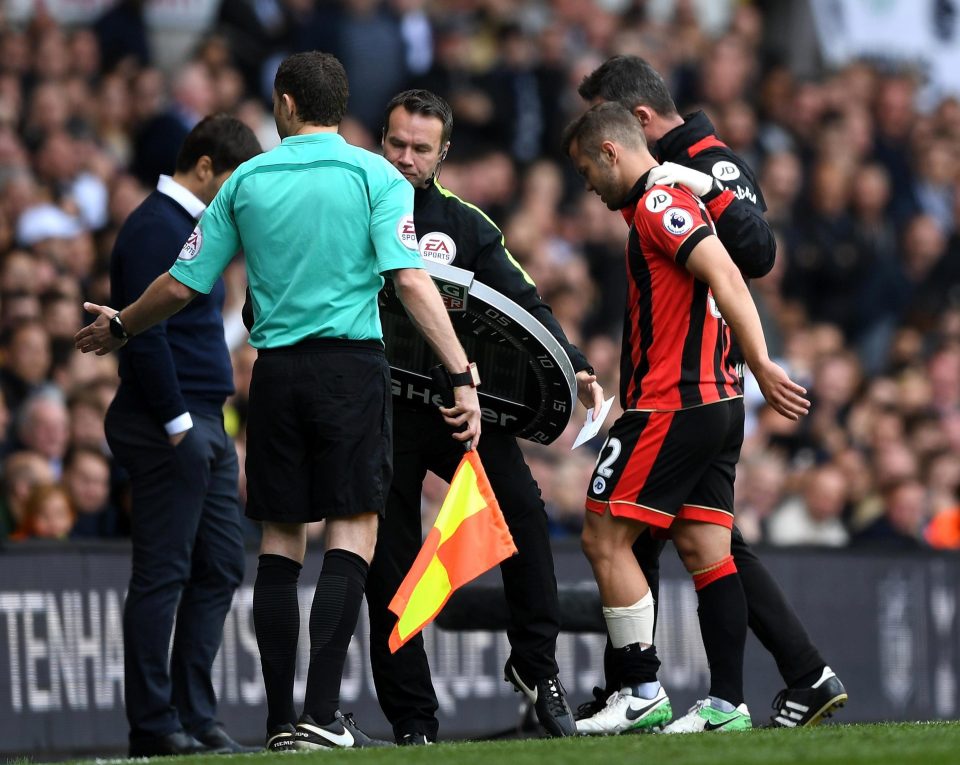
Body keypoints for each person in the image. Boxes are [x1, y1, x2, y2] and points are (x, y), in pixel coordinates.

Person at [75, 51, 481, 753]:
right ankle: (323, 712)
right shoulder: (376, 175)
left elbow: (180, 282)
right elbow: (411, 282)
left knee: (279, 541)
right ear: (335, 103)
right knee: (352, 531)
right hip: (351, 369)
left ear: (285, 104)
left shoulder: (248, 181)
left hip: (274, 375)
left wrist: (120, 325)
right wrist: (461, 372)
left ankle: (278, 722)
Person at [576, 55, 848, 729]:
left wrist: (761, 361)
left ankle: (637, 690)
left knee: (604, 532)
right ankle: (728, 701)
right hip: (708, 395)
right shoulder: (658, 193)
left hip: (679, 398)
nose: (588, 187)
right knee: (708, 550)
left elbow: (738, 264)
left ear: (620, 138)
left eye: (588, 169)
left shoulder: (671, 190)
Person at [365, 89, 603, 745]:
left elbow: (524, 300)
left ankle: (535, 668)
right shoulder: (351, 207)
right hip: (380, 415)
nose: (406, 158)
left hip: (458, 410)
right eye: (396, 143)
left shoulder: (467, 225)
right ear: (381, 140)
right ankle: (413, 720)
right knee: (388, 563)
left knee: (524, 517)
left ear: (443, 153)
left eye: (420, 148)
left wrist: (573, 359)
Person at [96, 114, 262, 757]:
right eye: (233, 182)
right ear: (204, 168)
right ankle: (154, 723)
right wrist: (176, 426)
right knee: (163, 573)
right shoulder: (153, 227)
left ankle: (196, 715)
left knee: (219, 564)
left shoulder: (191, 229)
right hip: (167, 423)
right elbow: (144, 332)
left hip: (205, 422)